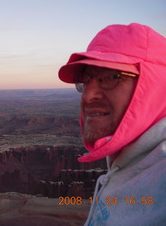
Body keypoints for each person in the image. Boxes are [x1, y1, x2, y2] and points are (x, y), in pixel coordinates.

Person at [58, 23, 166, 225]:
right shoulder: (128, 164)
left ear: (156, 85)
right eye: (86, 80)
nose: (88, 95)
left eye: (112, 77)